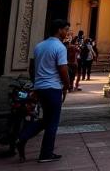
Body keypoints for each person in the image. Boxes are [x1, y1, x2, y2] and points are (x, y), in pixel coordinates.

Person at [16, 18, 70, 163]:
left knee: (46, 119)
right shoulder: (60, 47)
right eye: (65, 29)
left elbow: (32, 68)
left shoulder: (39, 46)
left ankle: (23, 136)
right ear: (59, 30)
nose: (67, 32)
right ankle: (46, 154)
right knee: (52, 122)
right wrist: (67, 84)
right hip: (53, 88)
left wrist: (36, 84)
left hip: (40, 88)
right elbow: (63, 69)